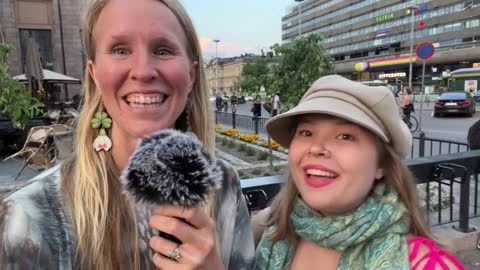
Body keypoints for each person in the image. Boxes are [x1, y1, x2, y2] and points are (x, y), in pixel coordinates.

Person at [0, 0, 255, 269]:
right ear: (94, 74)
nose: (143, 71)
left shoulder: (224, 185)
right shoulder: (32, 213)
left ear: (191, 75)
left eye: (163, 50)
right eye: (120, 50)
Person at [253, 75, 465, 270]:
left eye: (345, 136)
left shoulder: (423, 264)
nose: (316, 148)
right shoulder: (267, 229)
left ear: (380, 164)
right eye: (306, 133)